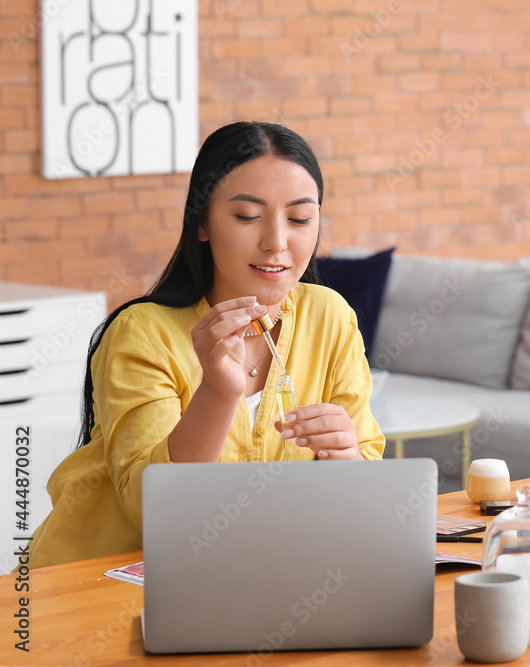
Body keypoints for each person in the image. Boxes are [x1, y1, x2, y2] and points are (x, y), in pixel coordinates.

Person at [27, 122, 385, 569]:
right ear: (202, 224)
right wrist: (217, 392)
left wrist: (347, 457)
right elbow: (152, 509)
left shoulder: (330, 316)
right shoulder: (142, 332)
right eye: (247, 216)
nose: (276, 242)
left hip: (240, 578)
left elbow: (368, 481)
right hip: (93, 586)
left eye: (299, 219)